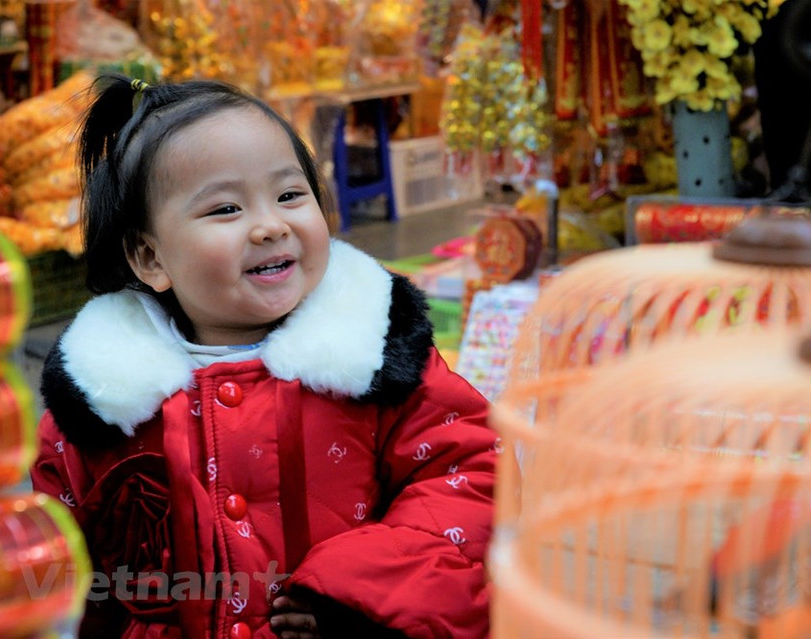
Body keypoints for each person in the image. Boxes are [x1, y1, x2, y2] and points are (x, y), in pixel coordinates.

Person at [30, 74, 498, 639]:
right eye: (226, 208)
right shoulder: (101, 403)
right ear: (150, 257)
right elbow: (58, 558)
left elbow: (470, 473)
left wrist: (363, 589)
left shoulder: (375, 359)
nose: (272, 225)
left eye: (290, 195)